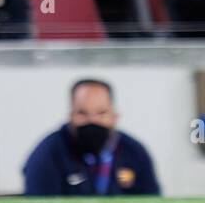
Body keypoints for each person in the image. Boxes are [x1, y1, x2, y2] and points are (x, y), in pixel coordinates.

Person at [22, 79, 161, 196]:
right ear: (71, 116)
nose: (92, 121)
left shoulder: (134, 152)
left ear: (115, 116)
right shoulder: (48, 153)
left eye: (101, 113)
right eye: (82, 113)